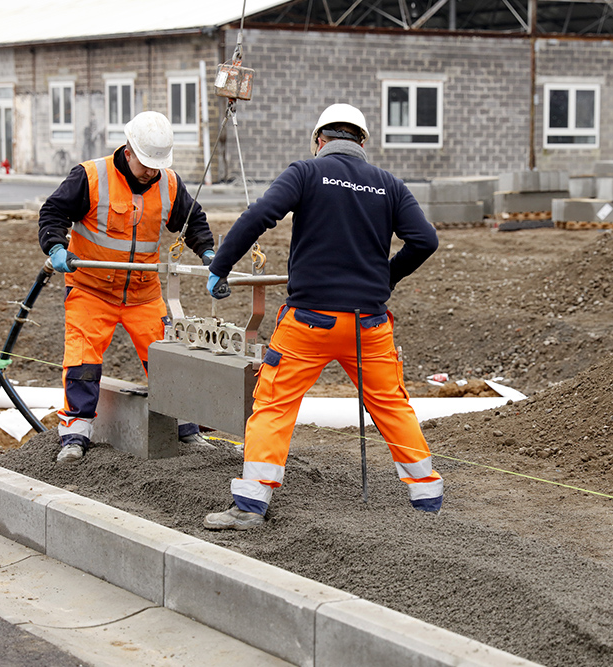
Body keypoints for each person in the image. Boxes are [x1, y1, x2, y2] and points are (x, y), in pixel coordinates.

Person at [202, 103, 443, 529]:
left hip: (308, 322)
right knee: (391, 405)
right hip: (368, 324)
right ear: (363, 142)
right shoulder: (389, 184)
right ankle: (427, 497)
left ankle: (250, 506)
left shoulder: (306, 172)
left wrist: (220, 265)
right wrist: (386, 277)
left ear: (319, 141)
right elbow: (425, 240)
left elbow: (259, 216)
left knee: (273, 405)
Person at [38, 110, 215, 463]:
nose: (151, 172)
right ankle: (76, 433)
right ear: (129, 150)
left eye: (157, 165)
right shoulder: (91, 176)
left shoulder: (169, 183)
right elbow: (54, 212)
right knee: (82, 360)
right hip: (91, 289)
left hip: (142, 293)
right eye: (146, 163)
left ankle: (185, 427)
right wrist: (56, 247)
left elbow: (192, 221)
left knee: (167, 358)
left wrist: (209, 252)